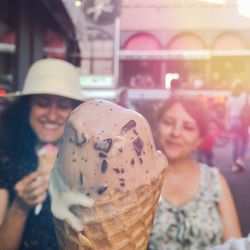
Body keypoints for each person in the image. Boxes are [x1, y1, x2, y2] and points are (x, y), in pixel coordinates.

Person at [0, 58, 83, 250]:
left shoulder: (88, 166)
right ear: (27, 107)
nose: (52, 116)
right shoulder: (6, 162)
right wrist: (20, 207)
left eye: (63, 105)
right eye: (43, 103)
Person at [149, 95, 241, 250]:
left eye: (188, 127)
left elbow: (235, 244)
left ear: (199, 139)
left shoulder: (215, 181)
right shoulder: (139, 181)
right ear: (157, 126)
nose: (176, 133)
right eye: (168, 123)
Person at [227, 83, 249, 172]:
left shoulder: (230, 96)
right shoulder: (245, 96)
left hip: (232, 120)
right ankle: (240, 160)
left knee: (235, 144)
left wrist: (227, 122)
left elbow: (227, 109)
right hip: (242, 121)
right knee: (245, 141)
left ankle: (234, 165)